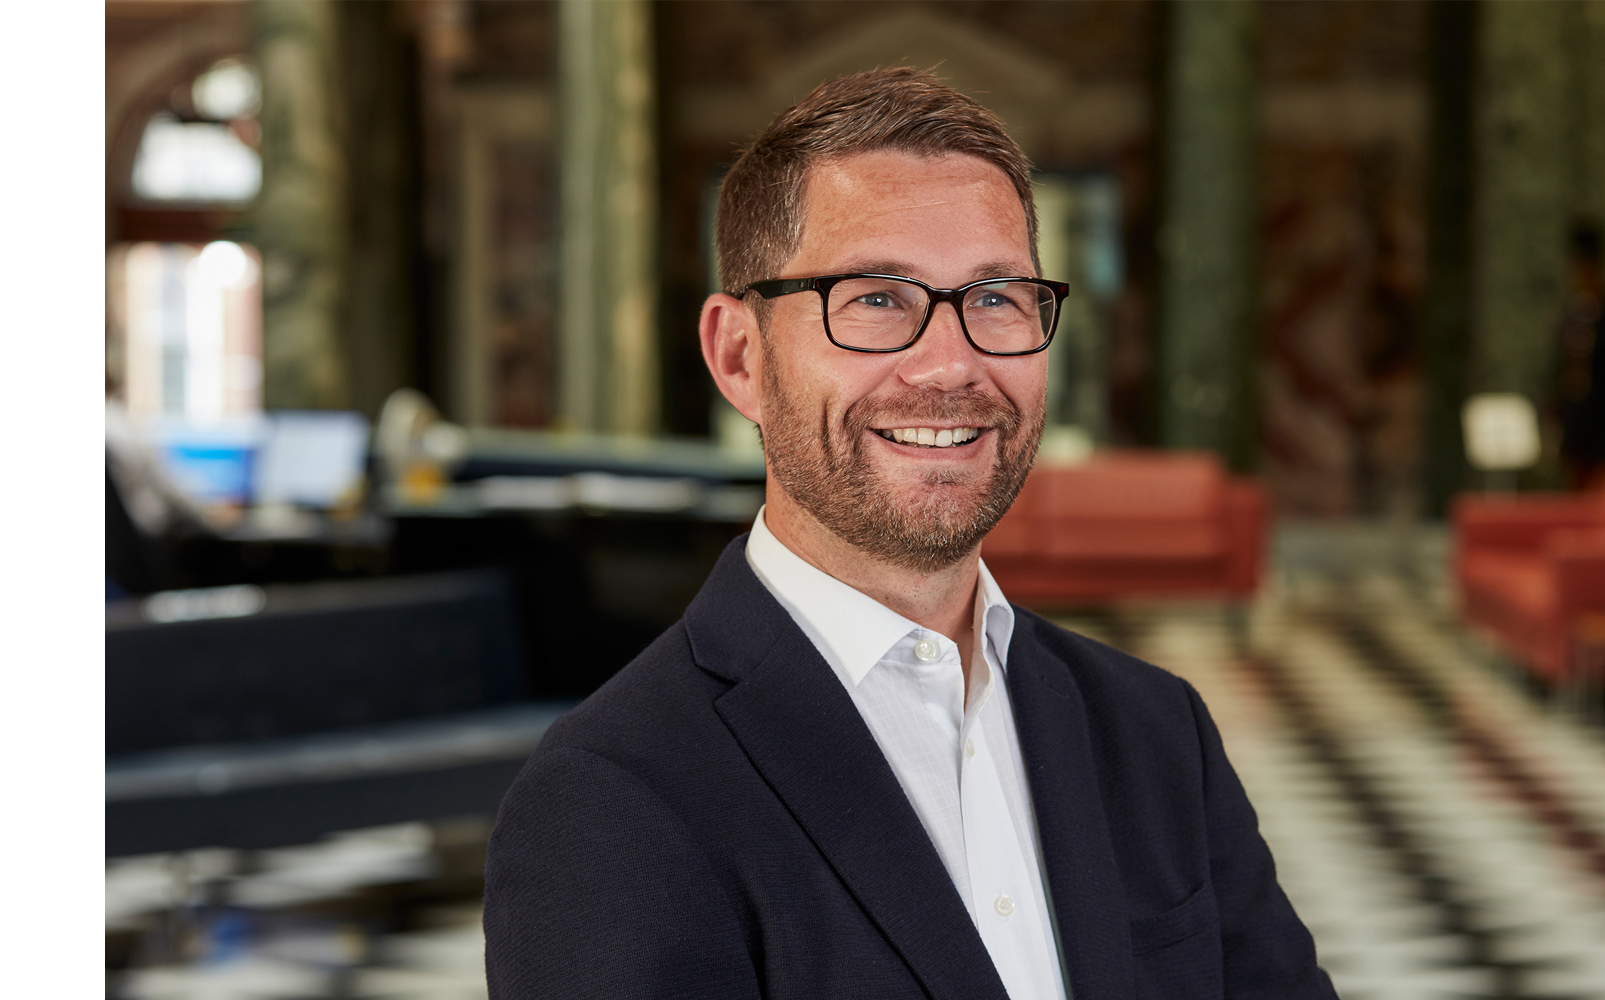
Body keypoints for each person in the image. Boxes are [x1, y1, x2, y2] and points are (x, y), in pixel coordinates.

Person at [484, 67, 1335, 1000]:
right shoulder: (610, 800)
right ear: (739, 356)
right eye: (876, 299)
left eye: (998, 297)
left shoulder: (1156, 733)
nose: (950, 364)